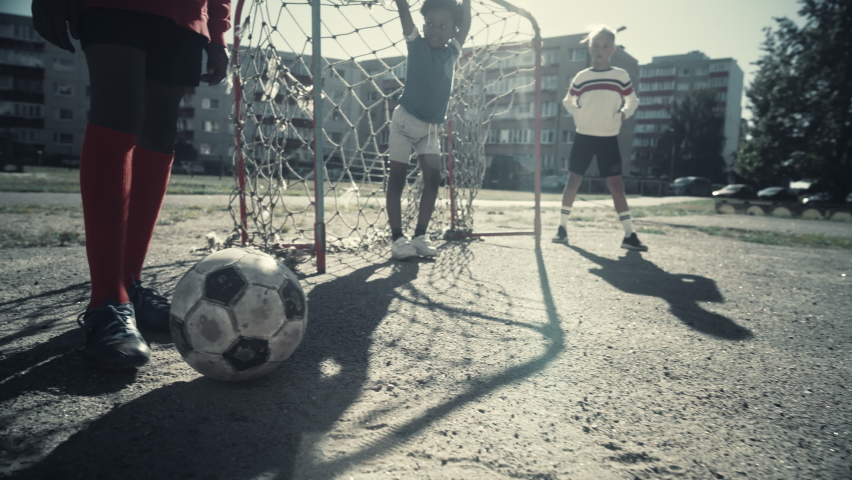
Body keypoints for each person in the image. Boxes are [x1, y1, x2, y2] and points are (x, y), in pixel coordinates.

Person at [31, 0, 232, 369]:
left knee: (160, 131)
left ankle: (129, 285)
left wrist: (217, 30)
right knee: (118, 110)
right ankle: (106, 301)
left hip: (184, 13)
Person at [387, 0, 470, 260]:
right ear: (423, 26)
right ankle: (398, 239)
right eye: (430, 24)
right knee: (397, 179)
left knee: (433, 180)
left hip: (432, 128)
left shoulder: (452, 52)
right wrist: (402, 4)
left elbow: (466, 22)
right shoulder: (416, 44)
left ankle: (420, 236)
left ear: (453, 30)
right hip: (404, 123)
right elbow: (404, 13)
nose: (435, 30)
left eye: (443, 25)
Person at [553, 25, 647, 252]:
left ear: (612, 50)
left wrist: (623, 114)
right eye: (596, 45)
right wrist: (579, 113)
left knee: (616, 185)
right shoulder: (582, 77)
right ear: (589, 48)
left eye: (605, 46)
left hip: (608, 137)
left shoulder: (620, 76)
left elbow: (632, 101)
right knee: (573, 181)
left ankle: (629, 235)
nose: (600, 50)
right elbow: (568, 101)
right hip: (583, 135)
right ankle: (562, 229)